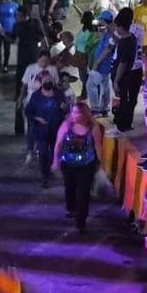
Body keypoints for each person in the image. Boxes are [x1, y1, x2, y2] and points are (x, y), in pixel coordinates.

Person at [52, 100, 99, 234]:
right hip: (68, 164)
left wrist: (100, 163)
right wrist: (55, 161)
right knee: (70, 187)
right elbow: (58, 144)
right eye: (72, 112)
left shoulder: (93, 127)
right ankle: (70, 208)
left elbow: (98, 147)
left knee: (83, 192)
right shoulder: (66, 126)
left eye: (77, 113)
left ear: (85, 114)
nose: (74, 115)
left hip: (87, 164)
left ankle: (81, 222)